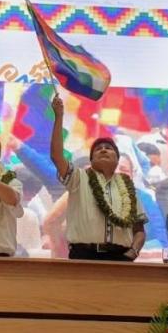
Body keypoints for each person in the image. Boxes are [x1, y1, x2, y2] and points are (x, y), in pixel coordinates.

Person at [50, 94, 148, 261]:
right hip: (83, 255)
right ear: (91, 160)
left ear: (117, 160)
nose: (103, 150)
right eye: (98, 149)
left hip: (120, 257)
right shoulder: (79, 178)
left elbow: (139, 230)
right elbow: (57, 156)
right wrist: (59, 116)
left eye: (108, 148)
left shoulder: (128, 187)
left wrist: (133, 252)